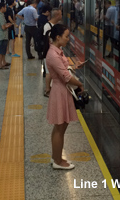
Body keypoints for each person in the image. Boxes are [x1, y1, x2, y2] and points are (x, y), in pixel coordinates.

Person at [44, 24, 84, 170]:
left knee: (60, 127)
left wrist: (74, 67)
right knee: (60, 128)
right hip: (60, 91)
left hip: (62, 90)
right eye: (66, 36)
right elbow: (66, 77)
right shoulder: (53, 54)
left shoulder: (58, 51)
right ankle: (58, 161)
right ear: (58, 37)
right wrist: (80, 84)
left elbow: (65, 70)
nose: (68, 39)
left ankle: (56, 157)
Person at [43, 8, 62, 97]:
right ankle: (47, 90)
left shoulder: (57, 25)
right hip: (49, 53)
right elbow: (47, 41)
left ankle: (52, 88)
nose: (62, 16)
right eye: (60, 14)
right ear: (57, 15)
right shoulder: (47, 26)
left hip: (56, 52)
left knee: (52, 71)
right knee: (48, 72)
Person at [0, 2, 12, 69]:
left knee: (3, 50)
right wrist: (8, 26)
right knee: (1, 51)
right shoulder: (0, 16)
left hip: (0, 35)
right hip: (2, 35)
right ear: (2, 8)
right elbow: (3, 27)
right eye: (5, 7)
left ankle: (4, 62)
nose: (6, 8)